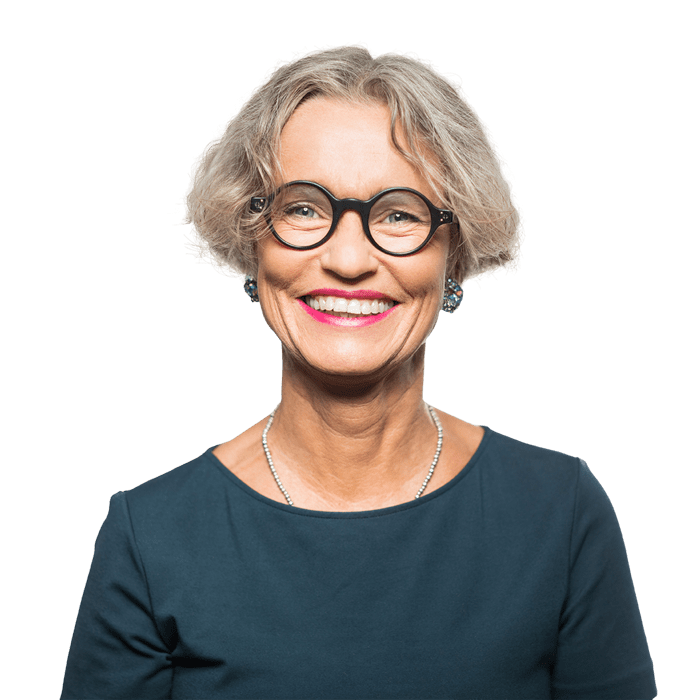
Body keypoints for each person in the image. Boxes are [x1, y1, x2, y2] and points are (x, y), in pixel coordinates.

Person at [60, 43, 657, 699]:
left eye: (399, 214)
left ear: (452, 258)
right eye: (304, 208)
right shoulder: (151, 538)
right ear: (251, 241)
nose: (348, 258)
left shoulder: (560, 513)